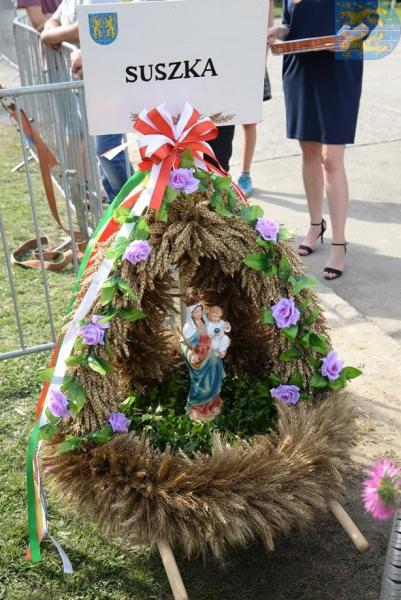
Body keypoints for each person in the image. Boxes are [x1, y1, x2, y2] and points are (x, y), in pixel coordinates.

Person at [267, 0, 378, 280]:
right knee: (308, 154)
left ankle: (339, 243)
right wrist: (281, 31)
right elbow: (293, 21)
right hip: (300, 67)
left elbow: (369, 18)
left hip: (338, 68)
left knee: (332, 159)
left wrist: (350, 36)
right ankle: (315, 225)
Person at [237, 0, 274, 198]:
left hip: (251, 62)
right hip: (221, 61)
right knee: (214, 124)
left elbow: (267, 33)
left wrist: (260, 65)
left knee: (249, 123)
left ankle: (245, 173)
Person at [181, 304, 227, 422]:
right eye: (195, 312)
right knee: (202, 386)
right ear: (190, 313)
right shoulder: (188, 327)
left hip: (212, 358)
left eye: (200, 311)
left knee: (214, 382)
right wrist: (191, 355)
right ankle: (197, 409)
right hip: (200, 360)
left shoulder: (207, 323)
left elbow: (218, 333)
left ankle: (212, 406)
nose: (198, 314)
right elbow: (183, 345)